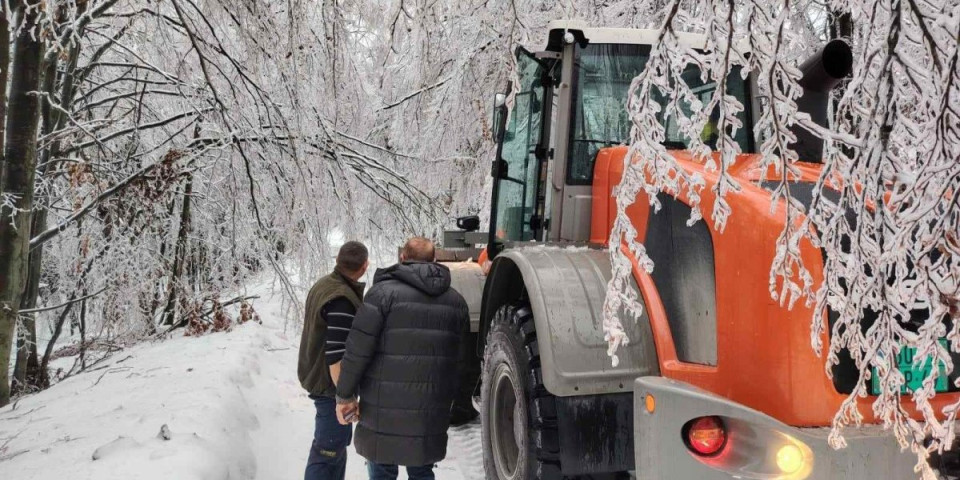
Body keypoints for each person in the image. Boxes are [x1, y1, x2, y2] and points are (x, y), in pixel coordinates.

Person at [335, 237, 469, 480]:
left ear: (402, 258)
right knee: (421, 469)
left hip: (381, 411)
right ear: (434, 261)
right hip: (429, 412)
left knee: (382, 469)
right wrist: (456, 403)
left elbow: (357, 349)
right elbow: (462, 361)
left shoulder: (381, 295)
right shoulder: (457, 303)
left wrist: (345, 394)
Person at [299, 241, 369, 480]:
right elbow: (336, 354)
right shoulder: (341, 299)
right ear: (364, 266)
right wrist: (345, 397)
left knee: (335, 449)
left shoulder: (324, 285)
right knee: (327, 452)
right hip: (330, 388)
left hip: (321, 382)